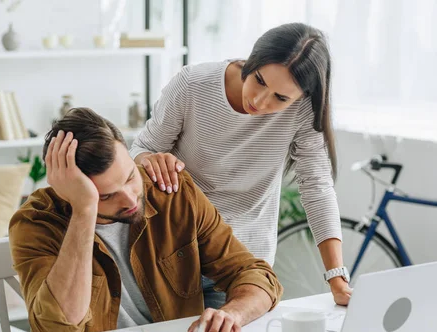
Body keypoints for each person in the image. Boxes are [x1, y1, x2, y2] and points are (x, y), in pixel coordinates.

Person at [9, 107, 282, 332]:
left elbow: (255, 275)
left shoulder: (173, 194)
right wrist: (84, 211)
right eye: (106, 196)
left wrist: (233, 313)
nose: (129, 198)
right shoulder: (36, 223)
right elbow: (59, 331)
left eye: (129, 176)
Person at [130, 22, 351, 307]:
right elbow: (143, 147)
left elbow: (317, 186)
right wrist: (150, 159)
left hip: (243, 263)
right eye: (259, 79)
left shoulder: (304, 110)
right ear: (253, 59)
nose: (259, 101)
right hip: (173, 253)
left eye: (280, 98)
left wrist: (337, 278)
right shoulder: (193, 85)